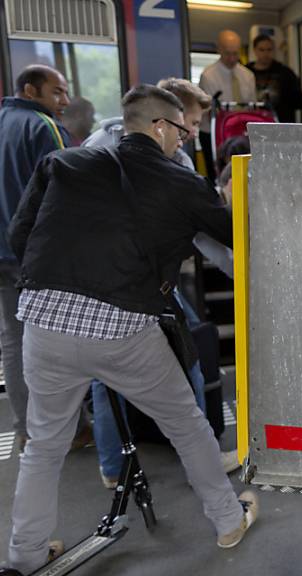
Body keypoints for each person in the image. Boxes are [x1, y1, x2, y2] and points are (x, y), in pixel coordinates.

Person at [4, 85, 257, 574]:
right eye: (181, 132)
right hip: (122, 329)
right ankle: (229, 521)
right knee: (186, 423)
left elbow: (20, 235)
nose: (183, 143)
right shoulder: (180, 182)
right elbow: (237, 235)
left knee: (44, 445)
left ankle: (25, 554)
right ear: (160, 126)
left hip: (44, 324)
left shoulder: (65, 163)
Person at [82, 78, 237, 488]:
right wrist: (240, 269)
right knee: (187, 365)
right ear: (168, 120)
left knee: (105, 372)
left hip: (100, 279)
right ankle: (203, 461)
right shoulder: (176, 165)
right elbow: (207, 235)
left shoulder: (99, 142)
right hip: (147, 284)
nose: (195, 134)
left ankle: (112, 468)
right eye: (195, 122)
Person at [0, 65, 71, 456]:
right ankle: (69, 430)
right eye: (57, 93)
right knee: (53, 342)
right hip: (32, 252)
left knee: (12, 340)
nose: (64, 102)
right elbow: (63, 191)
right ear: (31, 90)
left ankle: (26, 427)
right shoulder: (42, 126)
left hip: (1, 252)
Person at [199, 30, 256, 176]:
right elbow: (207, 111)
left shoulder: (248, 76)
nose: (232, 58)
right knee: (218, 173)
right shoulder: (208, 76)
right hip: (213, 133)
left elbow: (253, 108)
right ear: (219, 49)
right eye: (227, 53)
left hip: (240, 133)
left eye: (235, 53)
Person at [246, 34, 302, 123]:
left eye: (269, 50)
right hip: (253, 122)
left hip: (281, 124)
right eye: (262, 50)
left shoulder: (285, 73)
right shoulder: (246, 73)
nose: (266, 53)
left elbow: (299, 102)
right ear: (254, 50)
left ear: (274, 50)